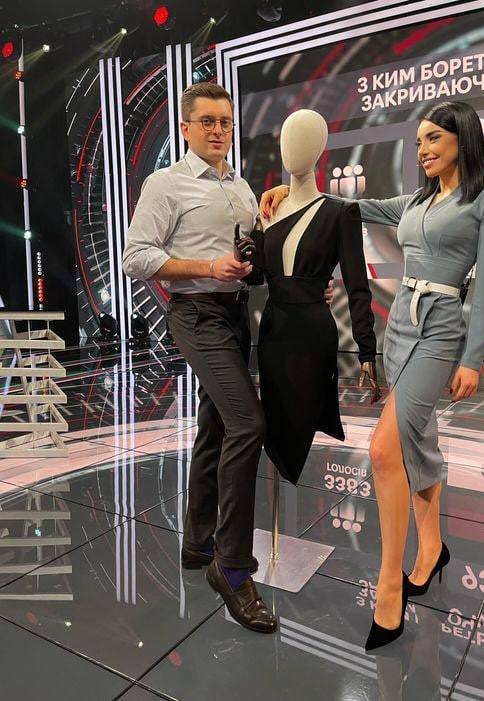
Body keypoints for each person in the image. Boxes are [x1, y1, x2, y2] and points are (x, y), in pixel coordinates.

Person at [260, 101, 484, 650]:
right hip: (400, 327)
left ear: (463, 141)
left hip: (441, 330)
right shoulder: (416, 201)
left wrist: (472, 358)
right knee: (418, 442)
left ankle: (389, 585)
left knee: (383, 451)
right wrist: (296, 194)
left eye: (433, 139)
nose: (422, 150)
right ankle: (432, 548)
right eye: (418, 141)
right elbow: (354, 207)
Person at [122, 82, 332, 634]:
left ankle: (197, 544)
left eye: (225, 122)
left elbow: (253, 258)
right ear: (186, 129)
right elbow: (135, 258)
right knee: (248, 424)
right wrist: (207, 267)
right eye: (208, 121)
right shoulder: (165, 183)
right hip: (196, 315)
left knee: (216, 428)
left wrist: (287, 260)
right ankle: (233, 568)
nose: (219, 130)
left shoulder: (240, 187)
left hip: (236, 315)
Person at [236, 108, 380, 486]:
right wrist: (247, 252)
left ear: (318, 148)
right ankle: (278, 496)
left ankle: (289, 490)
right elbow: (259, 277)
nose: (289, 148)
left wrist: (367, 352)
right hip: (274, 330)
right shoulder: (270, 210)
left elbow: (357, 285)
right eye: (285, 139)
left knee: (301, 420)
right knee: (276, 421)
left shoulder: (340, 212)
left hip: (312, 334)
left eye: (299, 139)